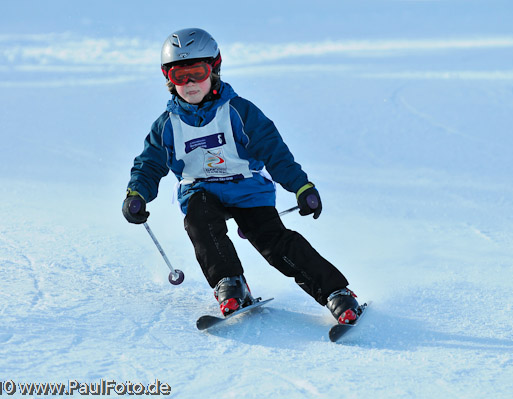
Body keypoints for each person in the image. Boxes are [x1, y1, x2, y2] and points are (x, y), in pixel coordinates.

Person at [122, 28, 361, 324]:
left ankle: (337, 293)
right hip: (201, 192)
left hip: (248, 191)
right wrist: (137, 193)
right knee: (199, 222)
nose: (190, 83)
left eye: (197, 72)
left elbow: (275, 152)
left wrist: (301, 187)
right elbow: (149, 164)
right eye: (179, 76)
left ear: (215, 68)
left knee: (274, 243)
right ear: (168, 79)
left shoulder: (239, 112)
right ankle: (230, 284)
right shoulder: (167, 126)